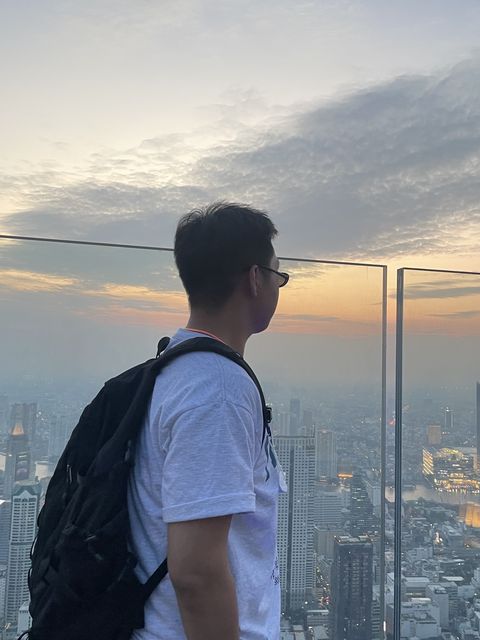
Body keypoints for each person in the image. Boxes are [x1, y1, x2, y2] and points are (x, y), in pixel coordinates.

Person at [128, 202, 289, 640]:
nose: (279, 285)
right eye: (279, 274)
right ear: (255, 279)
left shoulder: (173, 366)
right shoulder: (217, 390)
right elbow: (196, 573)